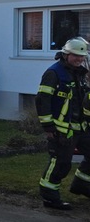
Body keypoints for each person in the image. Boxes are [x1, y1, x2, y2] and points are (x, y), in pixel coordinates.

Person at [35, 37, 90, 210]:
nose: (79, 59)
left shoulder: (80, 73)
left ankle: (82, 185)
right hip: (61, 130)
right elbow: (42, 100)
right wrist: (49, 127)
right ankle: (50, 197)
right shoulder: (54, 73)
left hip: (81, 127)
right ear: (66, 54)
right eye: (76, 56)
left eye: (82, 56)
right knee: (61, 163)